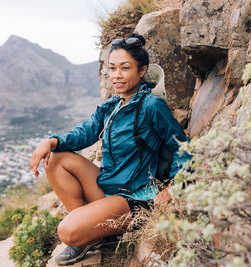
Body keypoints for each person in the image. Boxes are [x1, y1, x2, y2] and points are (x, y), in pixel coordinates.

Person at [29, 33, 190, 265]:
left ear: (142, 71)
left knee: (66, 231)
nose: (117, 75)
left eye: (125, 68)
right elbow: (85, 133)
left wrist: (174, 187)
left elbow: (181, 146)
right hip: (110, 186)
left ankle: (86, 232)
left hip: (135, 196)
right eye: (112, 68)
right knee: (55, 159)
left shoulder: (151, 105)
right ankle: (93, 237)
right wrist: (51, 142)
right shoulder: (111, 105)